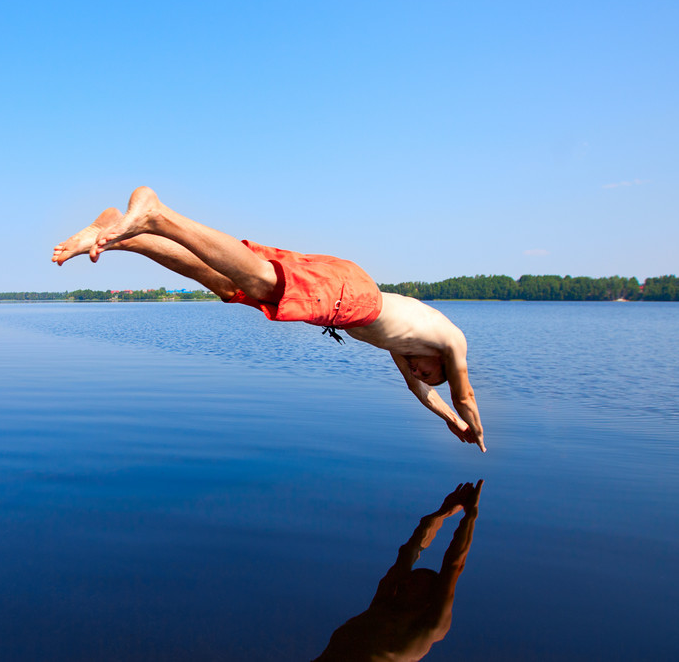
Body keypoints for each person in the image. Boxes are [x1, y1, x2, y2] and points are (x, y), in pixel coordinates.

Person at [53, 187, 485, 452]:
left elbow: (420, 392)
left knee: (228, 287)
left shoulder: (404, 346)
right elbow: (463, 395)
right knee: (259, 281)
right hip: (351, 296)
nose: (419, 373)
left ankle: (123, 235)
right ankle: (157, 214)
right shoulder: (451, 341)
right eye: (430, 373)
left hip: (346, 291)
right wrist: (473, 430)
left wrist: (447, 420)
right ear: (440, 362)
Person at [313, 481, 483, 661]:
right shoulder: (384, 605)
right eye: (409, 579)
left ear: (428, 599)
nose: (404, 583)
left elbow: (454, 565)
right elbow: (409, 551)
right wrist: (442, 513)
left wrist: (470, 515)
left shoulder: (429, 628)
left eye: (414, 584)